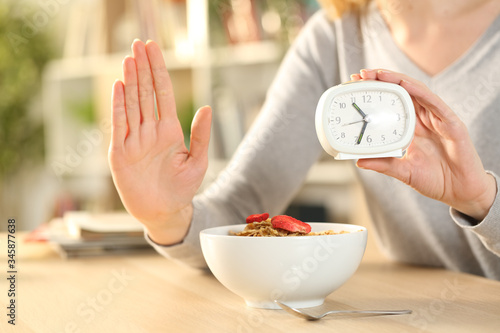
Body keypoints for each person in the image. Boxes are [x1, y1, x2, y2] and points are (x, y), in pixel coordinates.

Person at [108, 0, 500, 279]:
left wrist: (482, 200)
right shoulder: (336, 35)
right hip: (406, 315)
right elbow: (243, 207)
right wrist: (169, 217)